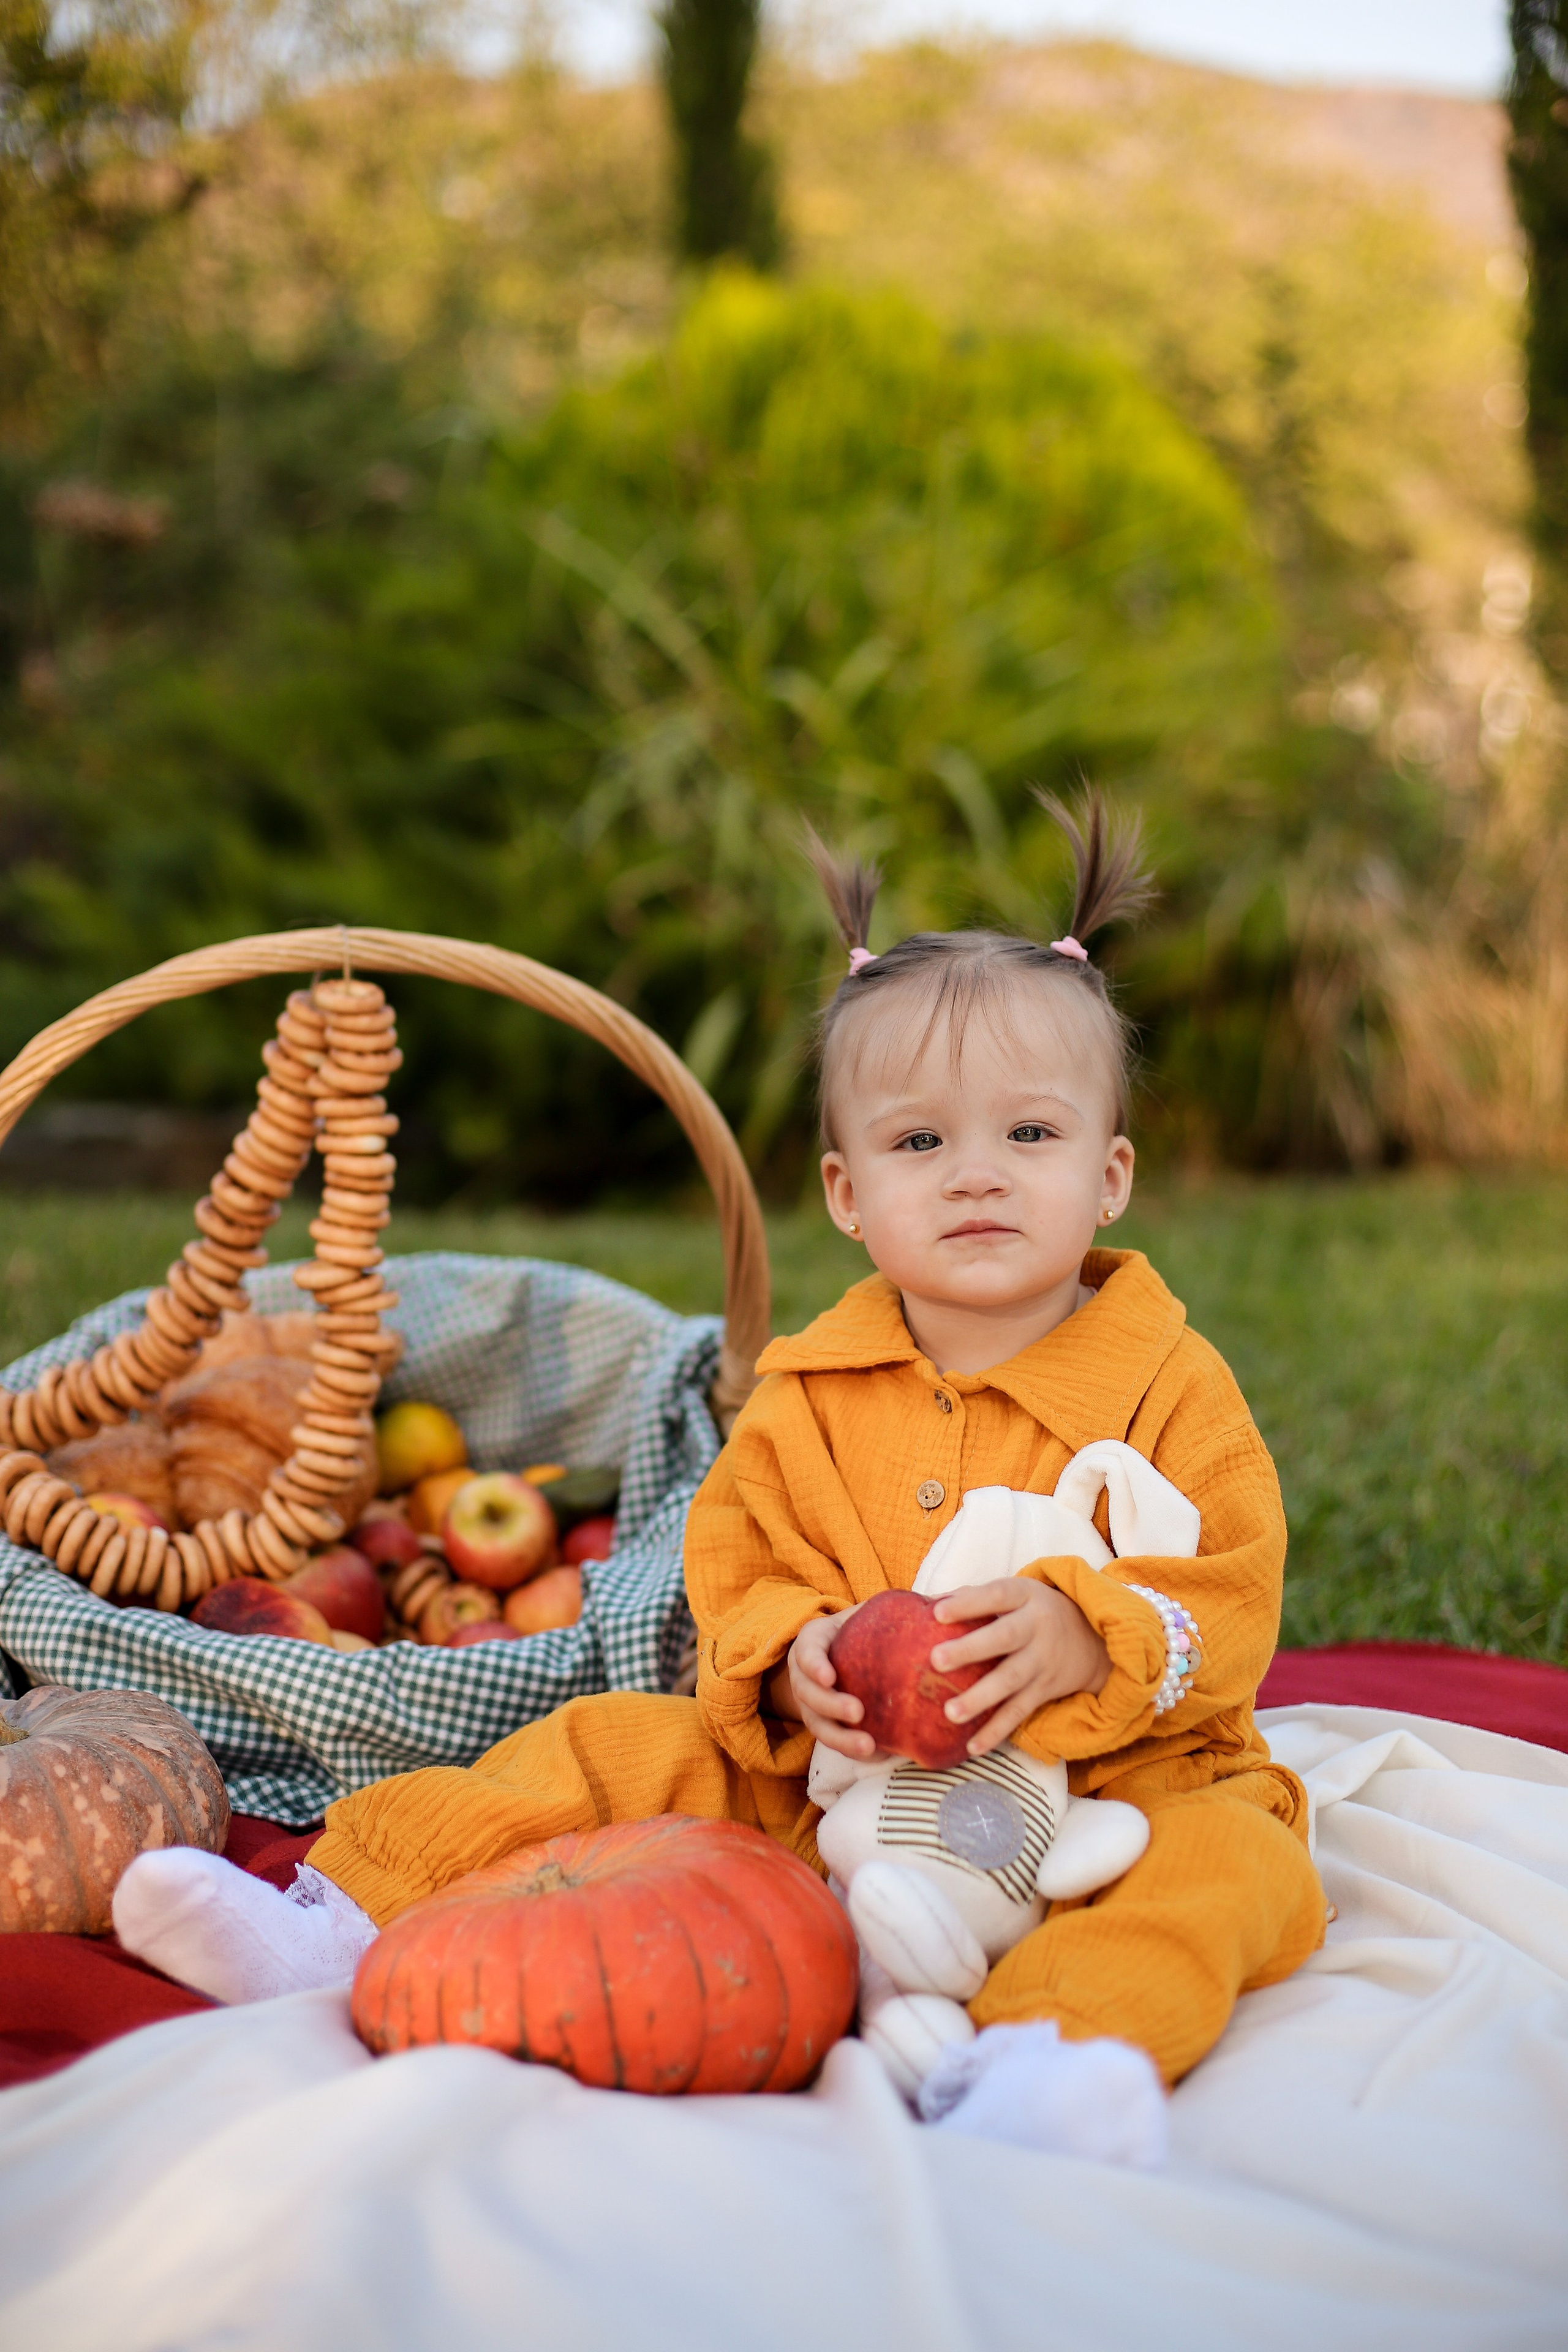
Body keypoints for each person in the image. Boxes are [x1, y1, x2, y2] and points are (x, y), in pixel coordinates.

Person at [117, 793, 1325, 2163]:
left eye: (1028, 1138)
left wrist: (1084, 1631)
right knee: (608, 1746)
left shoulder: (1168, 1378)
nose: (974, 1176)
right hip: (838, 1781)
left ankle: (1059, 2053)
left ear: (1108, 1176)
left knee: (1235, 1865)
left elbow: (1227, 1587)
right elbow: (737, 1563)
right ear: (844, 1192)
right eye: (919, 1142)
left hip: (1115, 1784)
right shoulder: (808, 1387)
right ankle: (342, 1916)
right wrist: (790, 1655)